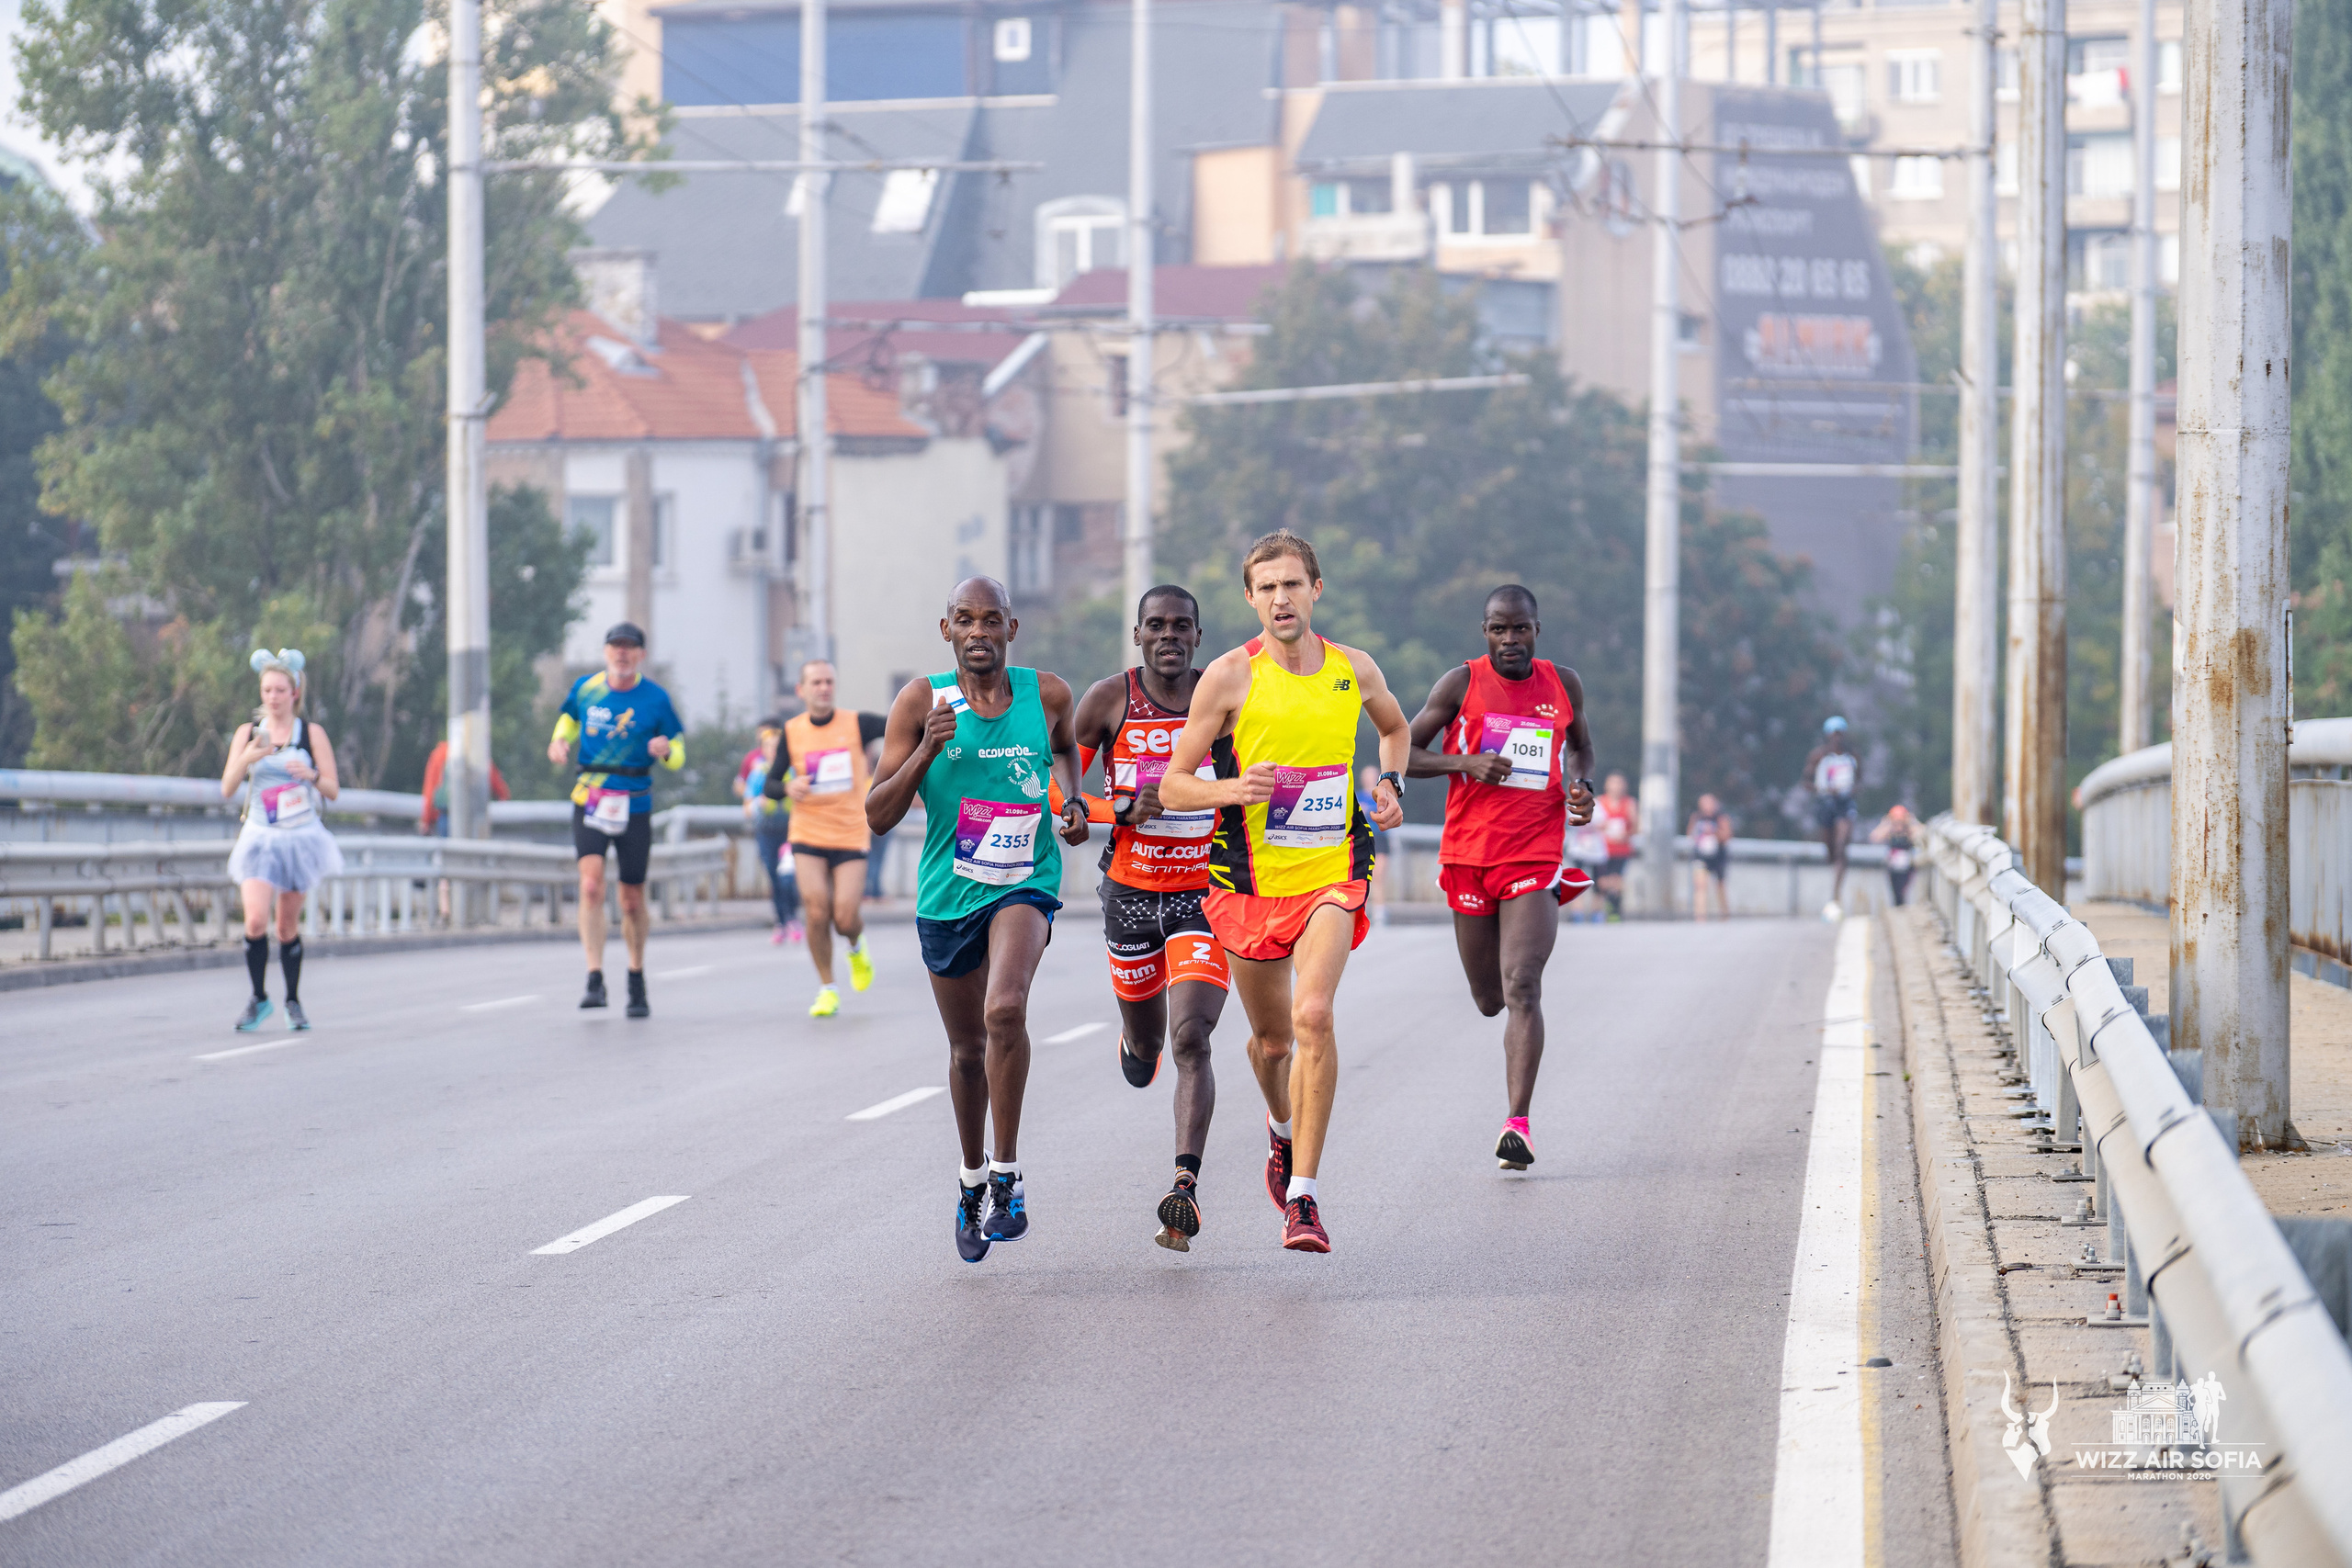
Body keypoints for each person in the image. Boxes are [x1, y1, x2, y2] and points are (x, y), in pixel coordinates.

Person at [1159, 530, 1410, 1254]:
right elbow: (1173, 784)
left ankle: (1304, 1198)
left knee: (1314, 1015)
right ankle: (1280, 1128)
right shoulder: (1229, 677)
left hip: (1333, 871)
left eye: (1292, 583)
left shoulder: (1354, 668)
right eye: (1267, 587)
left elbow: (1395, 729)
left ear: (1315, 589)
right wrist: (1233, 789)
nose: (1281, 598)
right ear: (1250, 597)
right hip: (1248, 883)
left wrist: (1391, 781)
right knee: (1272, 1043)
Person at [866, 578, 1087, 1264]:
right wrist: (926, 751)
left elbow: (1067, 750)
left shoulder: (1048, 693)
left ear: (1011, 628)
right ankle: (970, 1180)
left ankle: (1007, 1176)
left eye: (992, 620)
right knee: (967, 1051)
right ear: (947, 630)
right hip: (949, 894)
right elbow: (876, 815)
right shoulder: (920, 702)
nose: (979, 631)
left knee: (1006, 1008)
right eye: (966, 620)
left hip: (1025, 880)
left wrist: (1073, 801)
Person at [1405, 584, 1596, 1171]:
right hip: (1469, 856)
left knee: (1522, 987)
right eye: (1498, 629)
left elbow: (1582, 749)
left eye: (1520, 629)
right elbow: (1402, 752)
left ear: (1537, 629)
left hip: (1534, 854)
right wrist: (1465, 762)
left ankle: (1518, 1124)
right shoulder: (1460, 684)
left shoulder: (1563, 684)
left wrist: (1580, 786)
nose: (1510, 639)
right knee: (1489, 999)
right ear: (1484, 632)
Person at [1069, 585, 1233, 1251]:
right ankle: (1137, 1043)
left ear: (1198, 635)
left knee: (1192, 1036)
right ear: (1138, 634)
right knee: (1149, 1051)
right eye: (1156, 625)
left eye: (1181, 626)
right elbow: (1055, 789)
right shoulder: (1109, 700)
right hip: (1131, 895)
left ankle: (1183, 1188)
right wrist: (1116, 810)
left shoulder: (1225, 698)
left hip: (1205, 894)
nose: (1170, 635)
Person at [547, 622, 684, 1018]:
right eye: (615, 646)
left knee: (631, 898)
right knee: (590, 886)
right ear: (606, 652)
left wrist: (666, 750)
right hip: (590, 797)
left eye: (629, 647)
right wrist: (559, 741)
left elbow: (678, 754)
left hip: (635, 803)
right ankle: (594, 978)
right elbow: (568, 720)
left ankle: (636, 976)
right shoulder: (586, 689)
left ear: (641, 655)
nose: (622, 653)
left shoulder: (655, 699)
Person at [220, 649, 344, 1031]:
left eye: (279, 690)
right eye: (267, 690)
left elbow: (333, 789)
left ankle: (292, 1001)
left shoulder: (311, 734)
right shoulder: (248, 733)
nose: (272, 697)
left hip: (299, 837)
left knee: (286, 926)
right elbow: (227, 788)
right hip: (260, 835)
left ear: (294, 693)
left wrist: (310, 775)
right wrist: (248, 757)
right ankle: (258, 998)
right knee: (255, 920)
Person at [765, 660, 889, 1017]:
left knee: (845, 917)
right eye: (816, 682)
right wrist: (788, 787)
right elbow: (771, 784)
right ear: (801, 690)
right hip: (808, 832)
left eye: (829, 682)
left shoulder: (857, 723)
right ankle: (827, 988)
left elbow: (902, 724)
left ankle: (856, 947)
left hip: (849, 833)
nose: (824, 688)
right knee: (817, 911)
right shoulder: (792, 731)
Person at [736, 718, 800, 944]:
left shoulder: (793, 771)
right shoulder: (758, 773)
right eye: (769, 747)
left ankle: (792, 917)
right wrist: (758, 804)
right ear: (762, 750)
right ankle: (781, 922)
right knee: (774, 878)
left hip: (790, 832)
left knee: (787, 877)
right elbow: (747, 807)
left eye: (777, 747)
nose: (773, 751)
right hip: (766, 832)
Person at [1803, 716, 1860, 921]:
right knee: (1830, 850)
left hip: (1844, 803)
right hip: (1826, 802)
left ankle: (1836, 894)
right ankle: (1835, 865)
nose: (1837, 738)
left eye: (1840, 734)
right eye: (1834, 735)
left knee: (1841, 845)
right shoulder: (1818, 756)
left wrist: (1850, 790)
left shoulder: (1851, 756)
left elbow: (1859, 780)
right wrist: (1823, 789)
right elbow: (1806, 781)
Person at [417, 740, 510, 836]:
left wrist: (427, 820)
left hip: (447, 816)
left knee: (448, 844)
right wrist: (503, 798)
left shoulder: (440, 753)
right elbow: (495, 781)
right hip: (474, 817)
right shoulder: (476, 752)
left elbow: (431, 789)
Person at [1594, 773, 1637, 920]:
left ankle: (1615, 910)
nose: (1616, 786)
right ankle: (1601, 910)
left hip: (1621, 849)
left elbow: (1636, 826)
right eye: (1613, 783)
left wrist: (1626, 834)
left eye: (1619, 783)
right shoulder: (1600, 802)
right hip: (1602, 849)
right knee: (1602, 881)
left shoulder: (1629, 803)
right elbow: (1593, 824)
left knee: (1617, 880)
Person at [1688, 793, 1734, 921]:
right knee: (1700, 885)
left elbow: (1727, 835)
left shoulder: (1721, 818)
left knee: (1720, 885)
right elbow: (1690, 834)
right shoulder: (1696, 818)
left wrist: (1714, 833)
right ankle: (1700, 916)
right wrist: (1699, 837)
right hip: (1701, 856)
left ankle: (1724, 914)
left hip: (1718, 856)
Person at [1872, 802, 1919, 907]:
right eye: (1896, 822)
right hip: (1893, 866)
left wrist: (1912, 822)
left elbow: (1921, 835)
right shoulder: (1890, 831)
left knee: (1903, 891)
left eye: (1900, 822)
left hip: (1907, 866)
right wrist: (1886, 824)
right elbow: (1875, 837)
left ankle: (1903, 907)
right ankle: (1898, 907)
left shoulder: (1909, 831)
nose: (1898, 826)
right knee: (1895, 892)